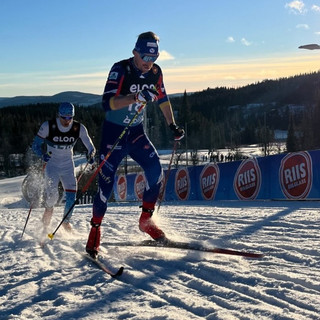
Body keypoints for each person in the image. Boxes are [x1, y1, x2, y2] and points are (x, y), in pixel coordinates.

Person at [85, 31, 185, 258]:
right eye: (145, 58)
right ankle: (95, 230)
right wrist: (136, 97)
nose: (149, 63)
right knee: (105, 186)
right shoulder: (121, 69)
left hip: (136, 133)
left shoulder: (156, 73)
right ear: (135, 53)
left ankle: (146, 221)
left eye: (154, 58)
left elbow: (163, 99)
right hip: (114, 135)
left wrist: (172, 125)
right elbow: (107, 103)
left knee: (155, 171)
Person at [32, 102, 96, 232]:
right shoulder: (48, 126)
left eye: (70, 117)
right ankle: (46, 221)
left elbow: (90, 146)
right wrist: (42, 155)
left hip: (67, 165)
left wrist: (91, 154)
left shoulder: (79, 128)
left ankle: (66, 223)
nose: (67, 121)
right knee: (53, 197)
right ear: (59, 115)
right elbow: (35, 145)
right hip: (52, 165)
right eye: (64, 117)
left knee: (72, 196)